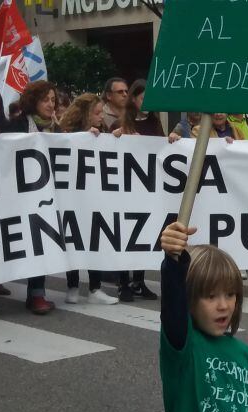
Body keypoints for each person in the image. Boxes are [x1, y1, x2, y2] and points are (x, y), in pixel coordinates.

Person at [159, 222, 248, 412]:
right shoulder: (184, 347)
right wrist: (173, 259)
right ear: (189, 300)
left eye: (230, 294)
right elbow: (173, 304)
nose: (223, 306)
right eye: (210, 296)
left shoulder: (244, 353)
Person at [3, 80, 61, 314]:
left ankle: (37, 293)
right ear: (33, 102)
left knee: (42, 242)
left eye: (53, 100)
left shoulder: (57, 128)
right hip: (20, 196)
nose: (50, 104)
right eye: (45, 99)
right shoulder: (17, 125)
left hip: (48, 196)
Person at [57, 92, 120, 305]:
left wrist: (116, 139)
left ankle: (95, 288)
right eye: (97, 113)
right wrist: (82, 137)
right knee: (72, 238)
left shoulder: (101, 135)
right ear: (85, 114)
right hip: (71, 197)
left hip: (94, 197)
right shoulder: (66, 133)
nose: (101, 117)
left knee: (95, 238)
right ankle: (72, 285)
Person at [111, 79, 163, 302]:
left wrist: (171, 139)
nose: (147, 103)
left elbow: (162, 149)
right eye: (143, 98)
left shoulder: (154, 123)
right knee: (126, 234)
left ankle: (139, 280)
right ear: (133, 99)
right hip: (126, 189)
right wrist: (116, 138)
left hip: (147, 188)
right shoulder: (120, 125)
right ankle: (123, 282)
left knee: (144, 233)